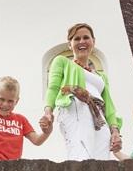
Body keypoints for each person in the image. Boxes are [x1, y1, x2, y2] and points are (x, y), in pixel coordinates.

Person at [42, 23, 123, 160]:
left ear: (93, 42)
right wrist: (48, 112)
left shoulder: (101, 76)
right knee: (81, 153)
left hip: (98, 116)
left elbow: (109, 105)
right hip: (75, 106)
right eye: (76, 39)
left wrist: (115, 130)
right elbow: (53, 87)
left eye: (86, 37)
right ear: (70, 44)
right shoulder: (62, 62)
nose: (82, 42)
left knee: (102, 156)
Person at [0, 76, 52, 160]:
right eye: (1, 99)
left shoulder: (21, 120)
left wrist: (47, 132)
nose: (5, 104)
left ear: (17, 101)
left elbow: (37, 140)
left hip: (13, 168)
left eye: (10, 101)